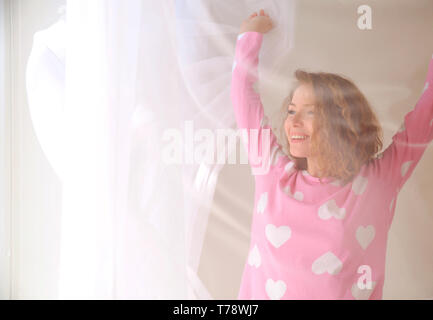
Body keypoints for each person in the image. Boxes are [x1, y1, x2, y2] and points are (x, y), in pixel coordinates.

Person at [231, 9, 433, 299]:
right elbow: (244, 102)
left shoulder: (376, 182)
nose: (293, 122)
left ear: (341, 121)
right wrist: (249, 37)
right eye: (291, 111)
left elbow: (423, 119)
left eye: (310, 112)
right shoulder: (273, 174)